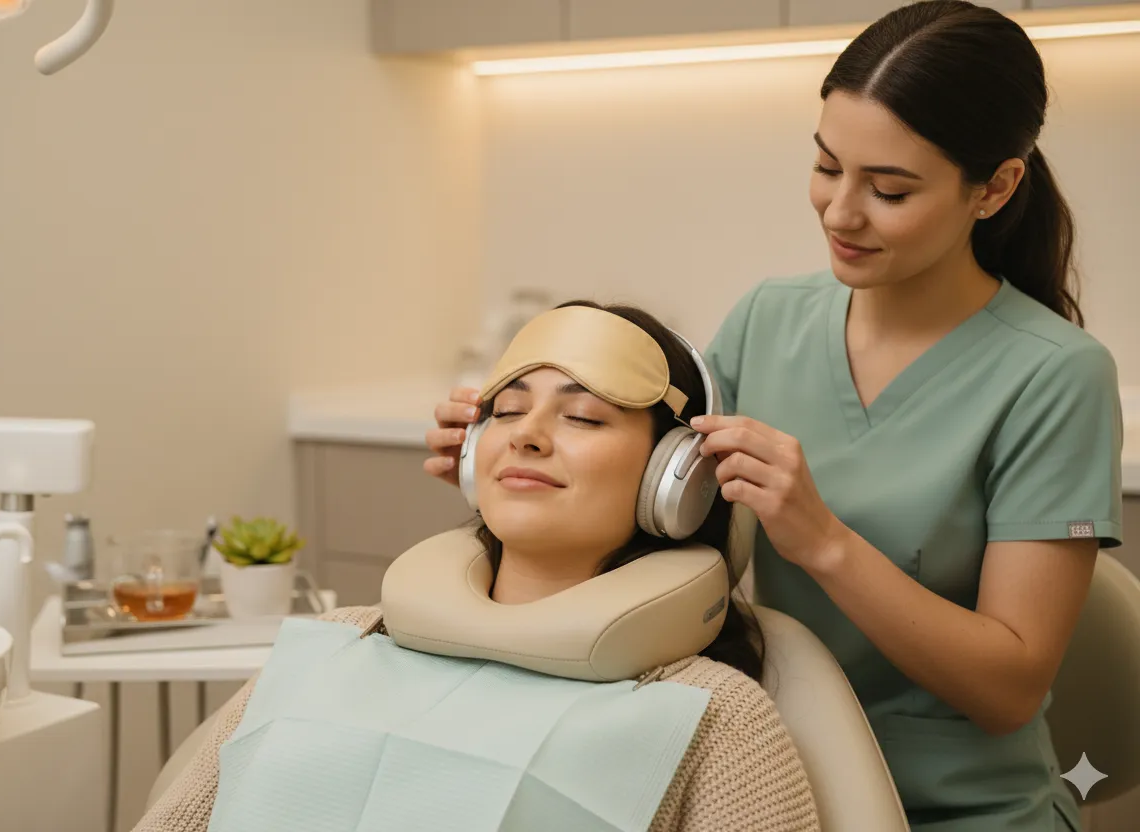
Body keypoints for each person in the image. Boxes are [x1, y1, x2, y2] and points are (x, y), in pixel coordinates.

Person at [425, 4, 1123, 830]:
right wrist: (509, 452)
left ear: (996, 188)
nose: (840, 212)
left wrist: (821, 540)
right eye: (828, 168)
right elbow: (650, 500)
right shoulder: (768, 319)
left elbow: (1010, 690)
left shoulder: (1054, 376)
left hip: (954, 811)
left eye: (889, 189)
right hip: (766, 780)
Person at [136, 301, 821, 832]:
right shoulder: (337, 643)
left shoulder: (715, 716)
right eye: (507, 410)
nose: (525, 433)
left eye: (582, 418)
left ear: (675, 479)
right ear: (469, 457)